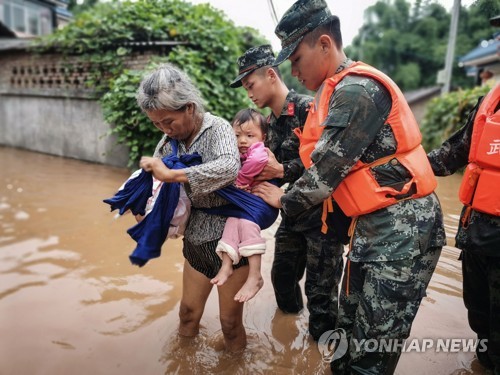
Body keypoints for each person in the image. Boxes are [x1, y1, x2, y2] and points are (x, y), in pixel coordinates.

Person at [252, 1, 446, 373]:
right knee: (344, 339)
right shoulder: (331, 93)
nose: (292, 72)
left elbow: (325, 172)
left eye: (296, 59)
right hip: (369, 231)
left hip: (403, 234)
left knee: (371, 353)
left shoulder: (357, 90)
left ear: (324, 44)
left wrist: (283, 199)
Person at [230, 44, 349, 341]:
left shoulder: (312, 108)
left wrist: (282, 170)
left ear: (270, 75)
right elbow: (257, 168)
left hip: (324, 217)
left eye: (250, 85)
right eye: (245, 88)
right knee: (282, 279)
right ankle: (287, 344)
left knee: (320, 295)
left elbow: (331, 161)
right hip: (291, 214)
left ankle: (319, 352)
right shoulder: (266, 126)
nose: (249, 94)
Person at [136, 63, 248, 351]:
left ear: (189, 107)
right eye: (156, 124)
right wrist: (144, 210)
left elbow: (228, 167)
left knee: (230, 325)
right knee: (187, 315)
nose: (164, 129)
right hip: (197, 240)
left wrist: (173, 175)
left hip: (231, 242)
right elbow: (157, 187)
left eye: (168, 121)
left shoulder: (218, 128)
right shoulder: (169, 142)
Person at [427, 15, 500, 374]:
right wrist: (406, 168)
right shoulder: (491, 101)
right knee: (480, 321)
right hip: (478, 238)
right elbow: (453, 153)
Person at [211, 108, 270, 303]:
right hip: (242, 202)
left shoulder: (259, 150)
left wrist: (241, 178)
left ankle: (255, 275)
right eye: (237, 135)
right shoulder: (234, 152)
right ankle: (227, 265)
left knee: (246, 225)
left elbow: (259, 160)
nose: (243, 140)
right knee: (231, 224)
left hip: (256, 203)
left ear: (263, 137)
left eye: (250, 135)